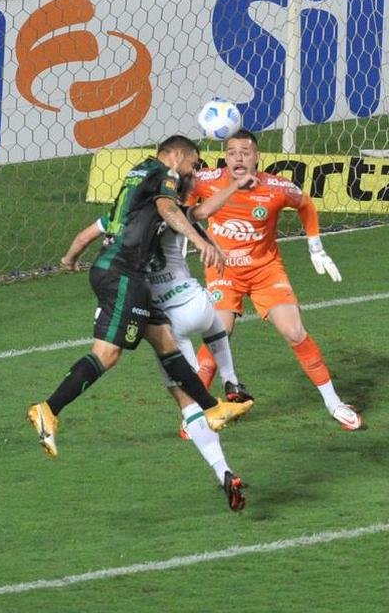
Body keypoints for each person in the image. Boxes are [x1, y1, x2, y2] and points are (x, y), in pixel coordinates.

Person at [27, 136, 254, 506]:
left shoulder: (136, 183)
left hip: (126, 278)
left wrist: (69, 259)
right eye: (194, 163)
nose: (193, 171)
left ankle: (213, 407)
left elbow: (93, 232)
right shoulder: (163, 176)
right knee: (107, 354)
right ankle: (48, 409)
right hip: (123, 275)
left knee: (165, 340)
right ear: (178, 155)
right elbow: (172, 208)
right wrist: (201, 243)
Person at [187, 129, 362, 431]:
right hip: (223, 270)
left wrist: (315, 247)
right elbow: (186, 206)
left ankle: (334, 403)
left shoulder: (276, 187)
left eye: (245, 152)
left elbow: (306, 204)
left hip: (266, 270)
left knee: (294, 331)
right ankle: (191, 414)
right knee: (219, 334)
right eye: (232, 152)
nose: (238, 158)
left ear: (257, 157)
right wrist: (194, 237)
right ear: (225, 156)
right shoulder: (207, 180)